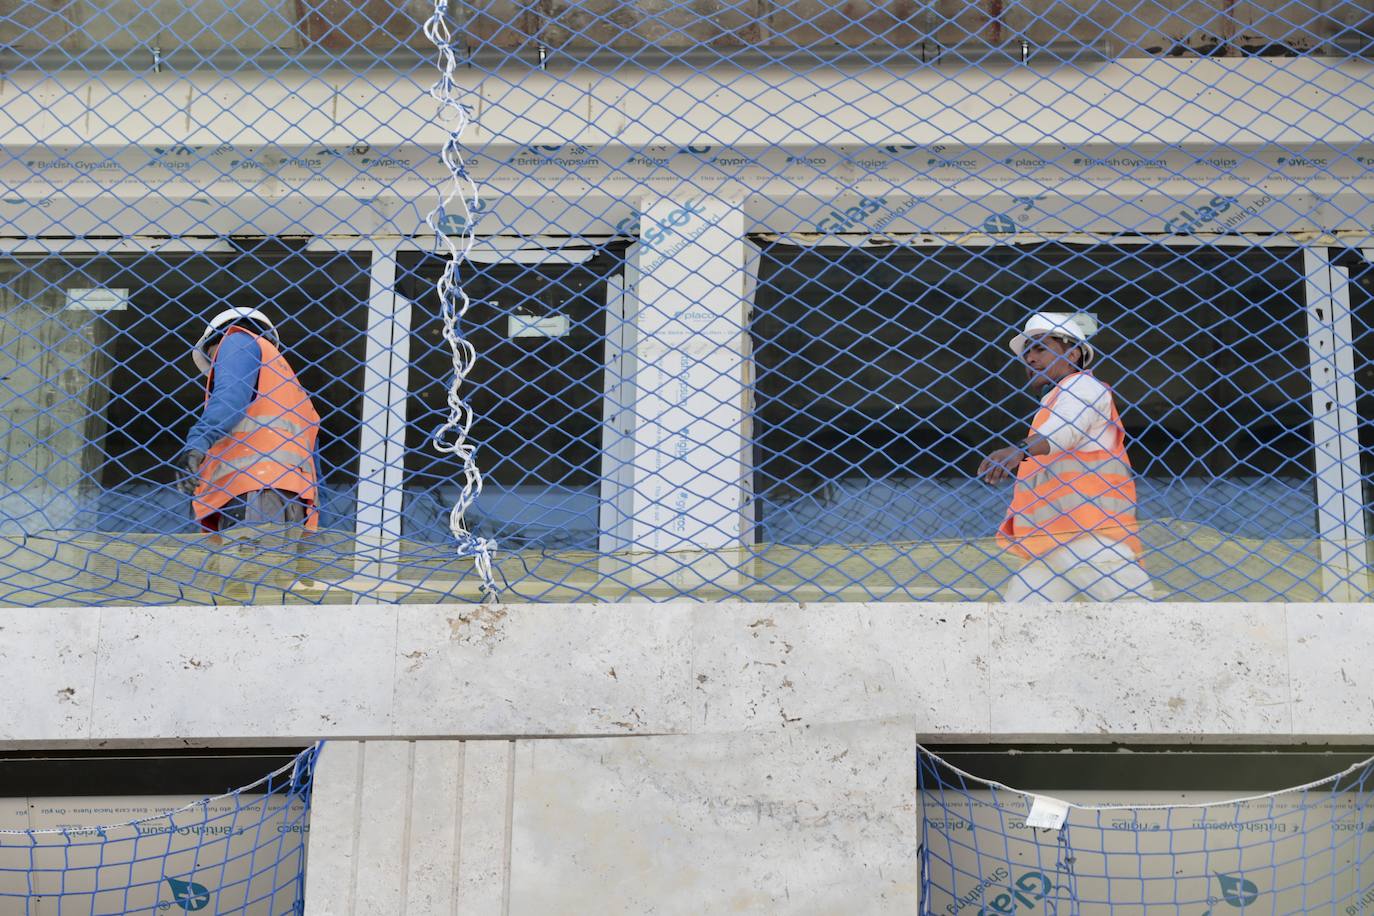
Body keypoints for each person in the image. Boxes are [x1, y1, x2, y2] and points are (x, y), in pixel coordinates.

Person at [978, 312, 1152, 601]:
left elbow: (1066, 429)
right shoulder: (1051, 406)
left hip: (1090, 537)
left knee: (1138, 617)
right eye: (1027, 353)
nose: (1030, 359)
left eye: (1041, 348)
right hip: (1050, 545)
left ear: (1073, 354)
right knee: (1018, 626)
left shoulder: (1083, 387)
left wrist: (1018, 451)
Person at [178, 307, 321, 536]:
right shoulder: (290, 388)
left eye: (214, 357)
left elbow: (230, 397)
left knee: (248, 570)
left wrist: (197, 443)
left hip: (254, 490)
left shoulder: (237, 341)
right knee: (272, 570)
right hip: (291, 500)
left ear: (217, 341)